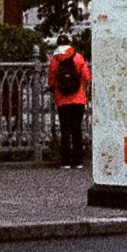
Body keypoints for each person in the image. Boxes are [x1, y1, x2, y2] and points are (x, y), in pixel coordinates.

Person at [47, 35, 90, 169]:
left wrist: (55, 89)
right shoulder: (78, 57)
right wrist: (81, 86)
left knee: (65, 129)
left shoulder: (55, 60)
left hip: (62, 100)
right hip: (78, 99)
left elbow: (52, 80)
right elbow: (87, 77)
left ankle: (65, 161)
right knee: (77, 129)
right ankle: (78, 161)